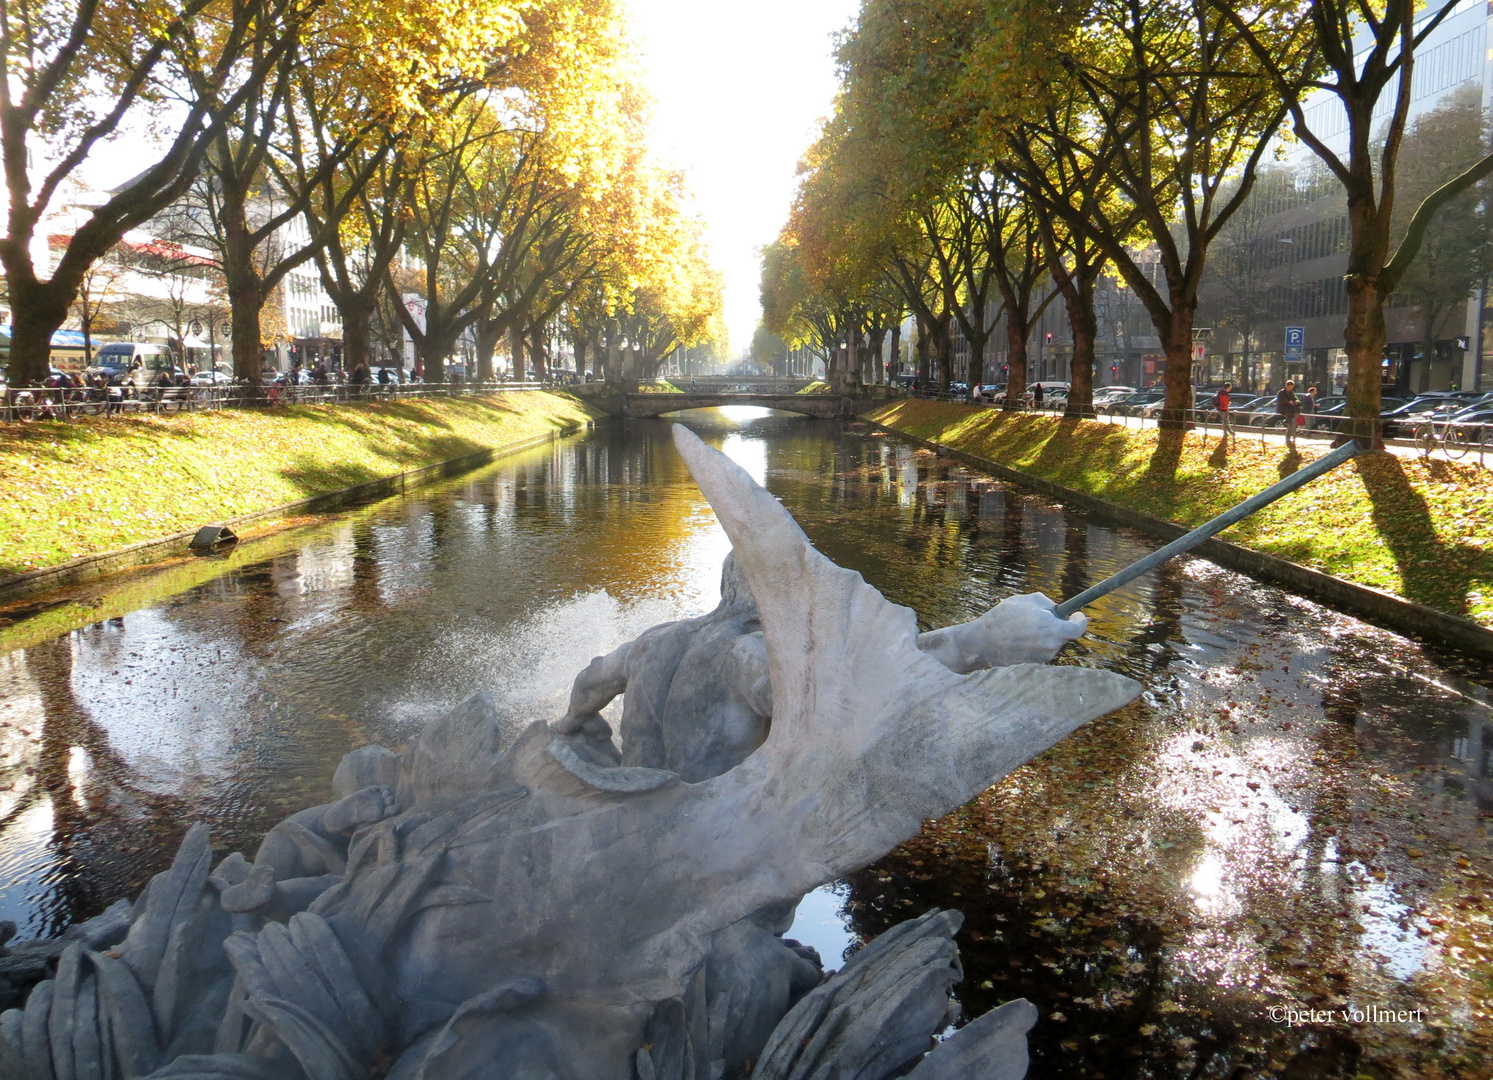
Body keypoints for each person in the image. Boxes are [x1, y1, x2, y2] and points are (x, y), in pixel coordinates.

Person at [1275, 379, 1301, 449]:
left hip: (1290, 411)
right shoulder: (1281, 393)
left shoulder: (1292, 393)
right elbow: (1280, 401)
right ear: (1286, 386)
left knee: (1291, 423)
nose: (1290, 389)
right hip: (1283, 409)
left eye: (1292, 387)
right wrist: (1288, 402)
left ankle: (1290, 437)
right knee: (1290, 422)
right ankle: (1286, 423)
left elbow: (1295, 398)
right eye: (1289, 387)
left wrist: (1296, 401)